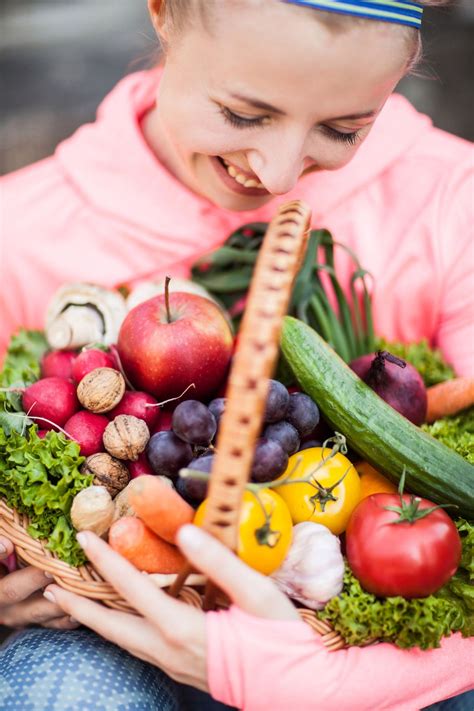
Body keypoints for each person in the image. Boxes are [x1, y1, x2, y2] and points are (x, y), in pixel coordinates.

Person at [1, 0, 473, 709]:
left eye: (344, 128)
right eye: (243, 115)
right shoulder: (21, 229)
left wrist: (307, 679)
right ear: (162, 13)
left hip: (352, 659)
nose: (280, 176)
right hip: (107, 629)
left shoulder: (451, 196)